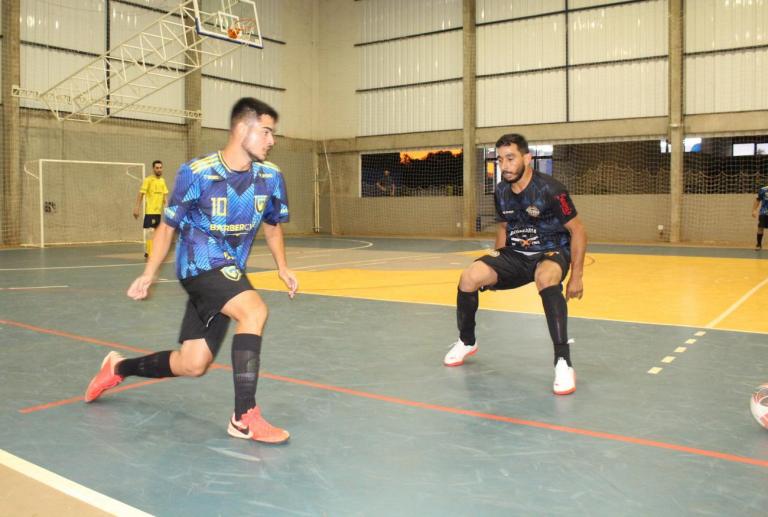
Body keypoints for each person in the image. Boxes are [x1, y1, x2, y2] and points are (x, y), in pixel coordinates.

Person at [85, 98, 298, 444]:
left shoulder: (271, 177)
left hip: (229, 271)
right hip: (199, 265)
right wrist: (149, 273)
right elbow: (167, 227)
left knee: (193, 363)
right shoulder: (197, 173)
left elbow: (272, 226)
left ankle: (117, 368)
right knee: (254, 310)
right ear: (242, 128)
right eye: (266, 131)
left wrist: (283, 268)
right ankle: (244, 417)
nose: (271, 140)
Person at [443, 133, 587, 395]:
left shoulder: (552, 190)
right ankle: (467, 341)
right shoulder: (501, 191)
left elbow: (578, 231)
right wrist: (497, 265)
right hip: (517, 254)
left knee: (545, 279)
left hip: (552, 252)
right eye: (500, 159)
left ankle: (563, 362)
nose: (505, 165)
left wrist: (576, 276)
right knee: (469, 277)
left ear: (527, 158)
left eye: (511, 158)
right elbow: (504, 227)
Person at [133, 160, 169, 258]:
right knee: (150, 232)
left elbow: (164, 196)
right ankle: (149, 252)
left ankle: (151, 251)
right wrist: (137, 207)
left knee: (156, 233)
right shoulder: (148, 180)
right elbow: (141, 193)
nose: (159, 169)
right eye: (157, 168)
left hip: (158, 212)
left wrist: (167, 209)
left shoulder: (162, 181)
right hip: (150, 211)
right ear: (153, 169)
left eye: (160, 167)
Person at [752, 184, 768, 251]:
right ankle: (758, 244)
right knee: (760, 228)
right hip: (764, 212)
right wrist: (754, 210)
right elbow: (758, 200)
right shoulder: (763, 189)